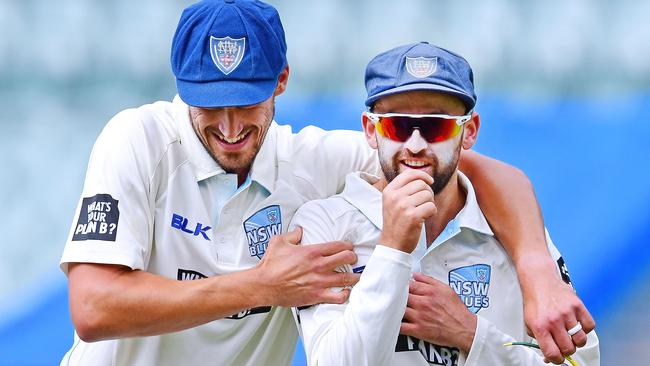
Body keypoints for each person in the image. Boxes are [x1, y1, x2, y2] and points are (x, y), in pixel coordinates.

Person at [59, 1, 592, 365]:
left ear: (281, 81)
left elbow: (465, 166)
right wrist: (263, 286)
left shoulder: (310, 163)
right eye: (207, 103)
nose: (227, 127)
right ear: (180, 90)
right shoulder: (138, 139)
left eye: (246, 101)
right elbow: (93, 308)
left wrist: (538, 268)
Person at [290, 42, 600, 366]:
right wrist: (392, 249)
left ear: (469, 132)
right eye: (397, 125)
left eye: (436, 126)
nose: (415, 144)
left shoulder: (512, 230)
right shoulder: (324, 224)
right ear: (371, 130)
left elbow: (584, 362)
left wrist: (471, 334)